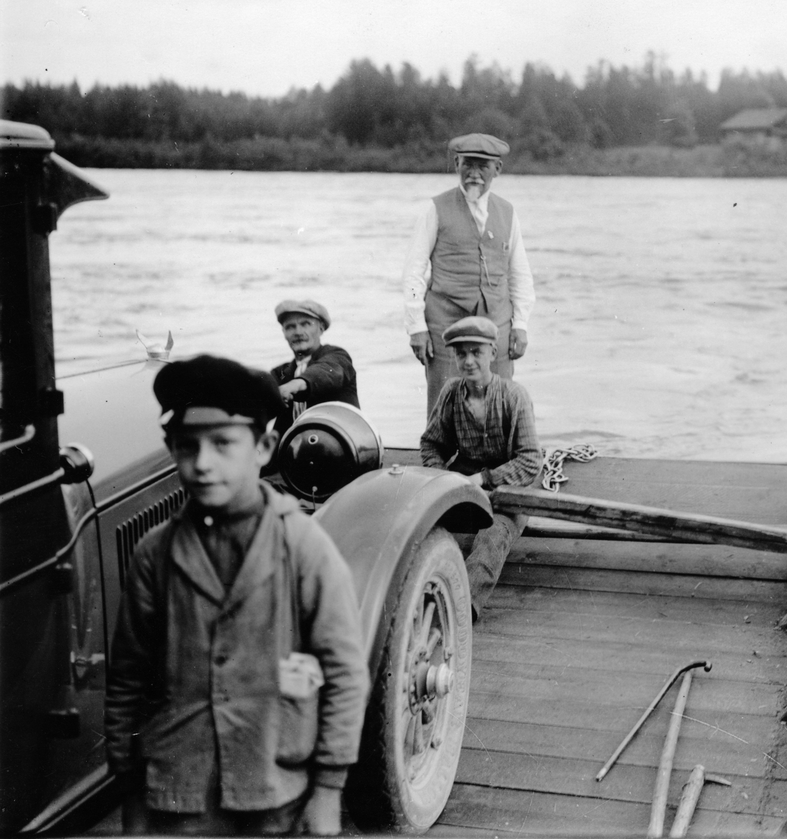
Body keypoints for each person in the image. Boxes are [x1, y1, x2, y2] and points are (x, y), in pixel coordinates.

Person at [105, 355, 370, 836]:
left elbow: (345, 673)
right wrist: (129, 788)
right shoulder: (154, 554)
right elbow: (127, 678)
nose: (203, 463)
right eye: (188, 446)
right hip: (176, 794)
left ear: (264, 448)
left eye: (223, 443)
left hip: (274, 791)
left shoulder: (302, 546)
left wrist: (329, 789)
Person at [401, 133, 536, 418]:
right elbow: (414, 271)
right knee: (443, 406)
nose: (474, 173)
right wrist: (416, 328)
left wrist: (521, 325)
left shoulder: (508, 212)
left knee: (499, 404)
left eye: (483, 166)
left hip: (497, 325)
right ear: (456, 165)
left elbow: (520, 273)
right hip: (445, 325)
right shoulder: (435, 208)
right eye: (467, 165)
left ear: (497, 169)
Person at [419, 317, 541, 621]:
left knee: (492, 536)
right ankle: (411, 598)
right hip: (462, 487)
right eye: (461, 354)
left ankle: (459, 611)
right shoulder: (450, 392)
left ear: (492, 352)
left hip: (508, 491)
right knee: (422, 526)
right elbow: (431, 444)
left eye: (476, 352)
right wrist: (442, 478)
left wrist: (484, 479)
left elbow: (530, 461)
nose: (468, 361)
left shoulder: (514, 396)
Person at [270, 299, 359, 435]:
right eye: (290, 327)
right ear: (284, 333)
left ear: (321, 328)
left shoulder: (337, 356)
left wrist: (295, 385)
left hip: (341, 442)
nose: (298, 332)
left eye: (305, 324)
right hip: (294, 445)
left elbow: (325, 372)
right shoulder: (280, 372)